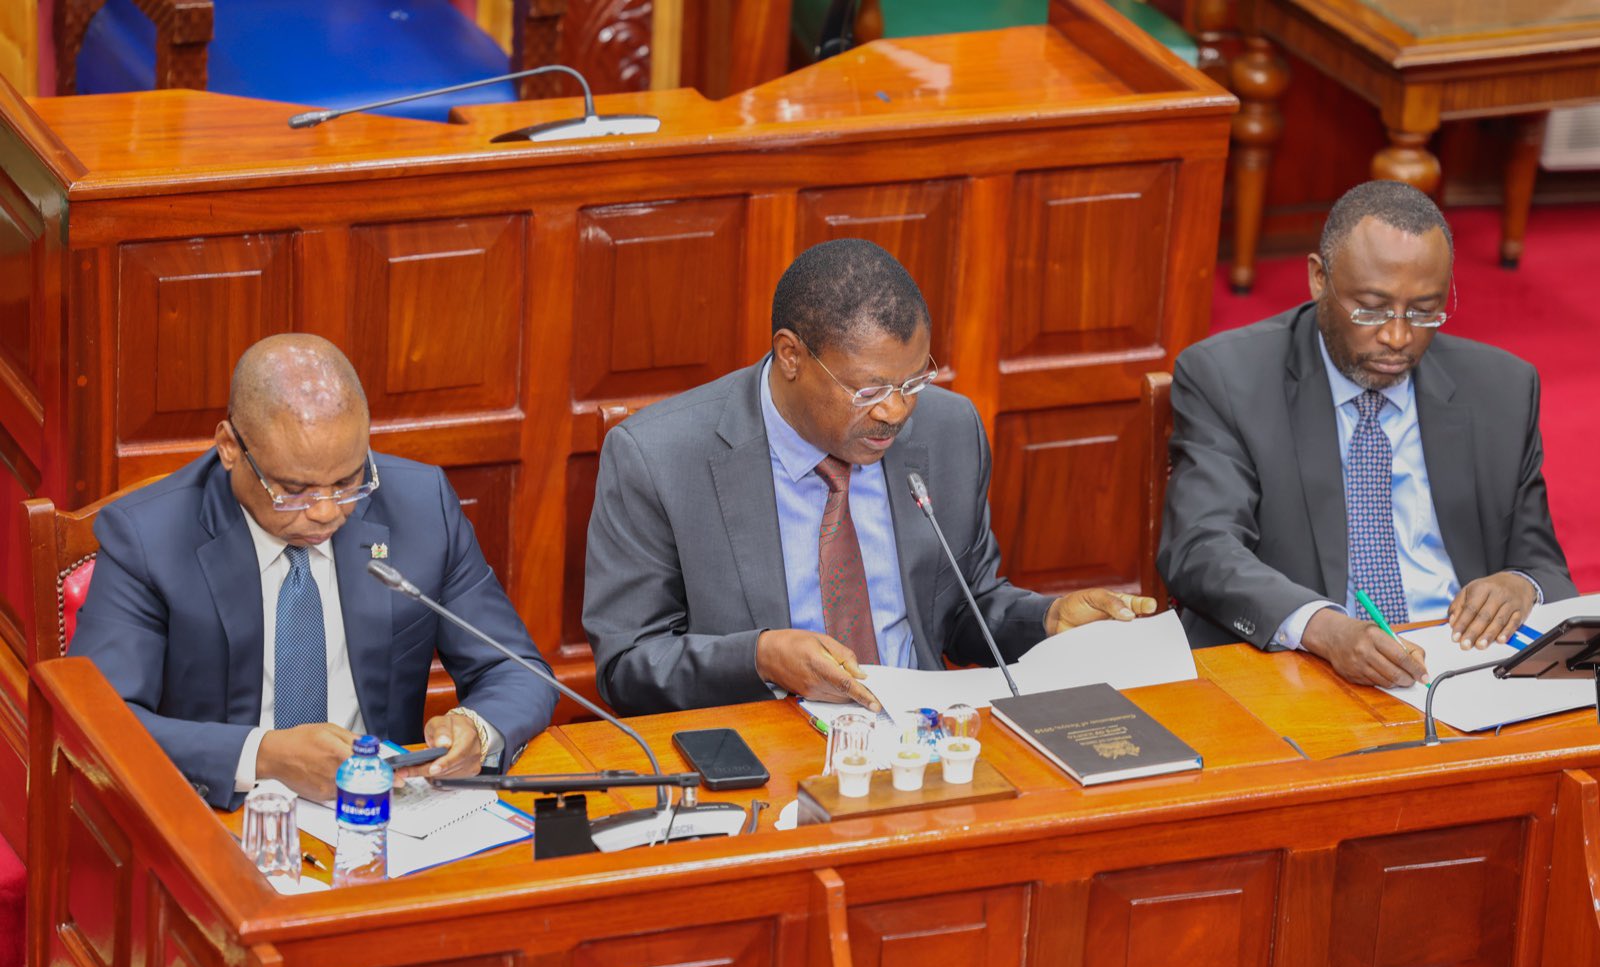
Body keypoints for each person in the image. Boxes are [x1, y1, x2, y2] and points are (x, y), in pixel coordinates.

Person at [584, 238, 1156, 715]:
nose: (896, 412)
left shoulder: (949, 430)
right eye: (869, 390)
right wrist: (759, 657)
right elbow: (627, 665)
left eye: (912, 382)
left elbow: (963, 608)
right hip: (760, 744)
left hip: (923, 740)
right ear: (791, 356)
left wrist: (1046, 619)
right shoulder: (658, 458)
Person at [70, 334, 557, 807]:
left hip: (385, 814)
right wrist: (264, 756)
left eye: (348, 481)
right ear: (230, 447)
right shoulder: (148, 536)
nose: (327, 511)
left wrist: (477, 726)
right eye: (295, 489)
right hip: (219, 818)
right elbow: (100, 720)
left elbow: (516, 670)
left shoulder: (421, 507)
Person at [1158, 180, 1574, 688]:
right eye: (1371, 309)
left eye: (1425, 311)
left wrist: (1520, 585)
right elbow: (1202, 548)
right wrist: (1322, 627)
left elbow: (1545, 568)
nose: (1398, 337)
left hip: (1460, 669)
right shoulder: (1228, 378)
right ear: (1318, 278)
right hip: (1301, 671)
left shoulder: (1501, 389)